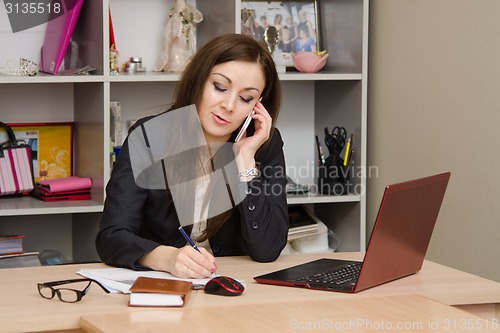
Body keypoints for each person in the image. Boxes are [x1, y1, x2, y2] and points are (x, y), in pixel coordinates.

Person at [96, 34, 289, 279]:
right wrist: (166, 258)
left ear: (258, 105)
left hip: (233, 287)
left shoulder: (264, 144)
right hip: (164, 286)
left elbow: (268, 250)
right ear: (199, 80)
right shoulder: (149, 137)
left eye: (245, 98)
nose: (229, 105)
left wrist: (246, 164)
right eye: (220, 87)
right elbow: (111, 236)